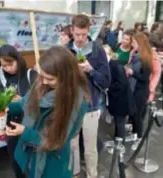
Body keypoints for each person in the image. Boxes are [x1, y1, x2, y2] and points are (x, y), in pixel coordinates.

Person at [2, 46, 89, 178]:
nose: (44, 81)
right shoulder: (42, 82)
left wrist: (24, 132)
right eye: (42, 75)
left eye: (50, 79)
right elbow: (25, 102)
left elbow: (56, 141)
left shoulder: (76, 101)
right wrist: (7, 108)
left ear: (66, 77)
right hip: (26, 155)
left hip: (51, 162)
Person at [67, 14, 111, 178]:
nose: (80, 38)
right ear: (71, 30)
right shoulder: (66, 50)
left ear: (89, 31)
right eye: (77, 34)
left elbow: (106, 82)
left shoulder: (97, 50)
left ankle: (92, 175)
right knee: (72, 145)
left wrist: (90, 70)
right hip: (71, 107)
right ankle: (76, 173)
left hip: (91, 106)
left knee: (90, 147)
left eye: (84, 35)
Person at [0, 44, 37, 178]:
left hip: (29, 126)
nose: (7, 68)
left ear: (18, 59)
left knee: (32, 163)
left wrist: (22, 100)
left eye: (10, 64)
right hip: (11, 127)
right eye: (4, 66)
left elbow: (40, 101)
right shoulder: (1, 79)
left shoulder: (31, 75)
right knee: (16, 163)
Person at [125, 32, 153, 151]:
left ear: (140, 43)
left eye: (134, 42)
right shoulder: (136, 55)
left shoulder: (146, 59)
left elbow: (145, 78)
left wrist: (132, 73)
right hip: (134, 89)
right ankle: (135, 134)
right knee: (133, 114)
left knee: (137, 116)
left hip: (140, 91)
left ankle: (139, 138)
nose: (132, 44)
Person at [104, 45, 133, 150]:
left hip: (121, 99)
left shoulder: (115, 65)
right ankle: (117, 141)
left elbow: (121, 83)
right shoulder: (109, 64)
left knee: (120, 123)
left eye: (105, 53)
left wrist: (108, 88)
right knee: (117, 121)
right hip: (117, 98)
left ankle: (120, 146)